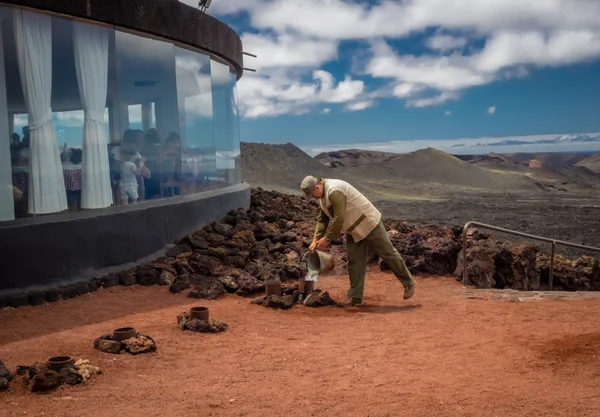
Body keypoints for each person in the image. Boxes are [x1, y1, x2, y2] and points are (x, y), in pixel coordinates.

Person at [301, 175, 416, 305]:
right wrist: (315, 239)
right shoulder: (321, 196)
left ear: (317, 187)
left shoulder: (334, 191)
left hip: (368, 223)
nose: (313, 197)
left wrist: (327, 239)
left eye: (312, 194)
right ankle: (355, 297)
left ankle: (409, 283)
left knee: (387, 253)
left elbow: (338, 218)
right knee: (355, 261)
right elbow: (323, 219)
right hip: (353, 229)